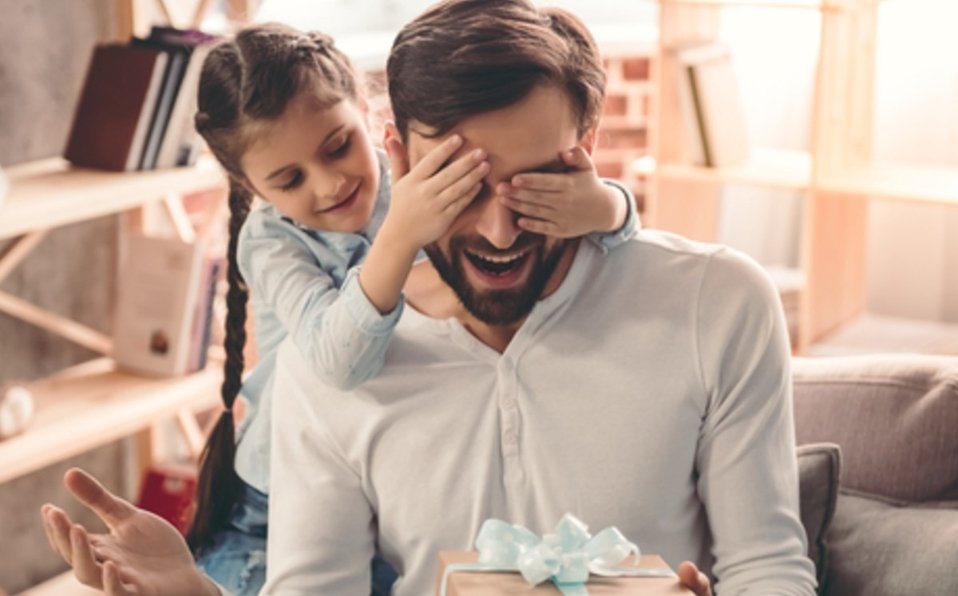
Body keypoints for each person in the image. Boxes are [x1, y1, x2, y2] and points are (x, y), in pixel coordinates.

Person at [40, 1, 817, 594]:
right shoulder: (332, 355)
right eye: (462, 184)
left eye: (532, 182)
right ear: (403, 161)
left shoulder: (720, 304)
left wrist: (612, 206)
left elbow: (769, 566)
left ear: (584, 149)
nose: (500, 230)